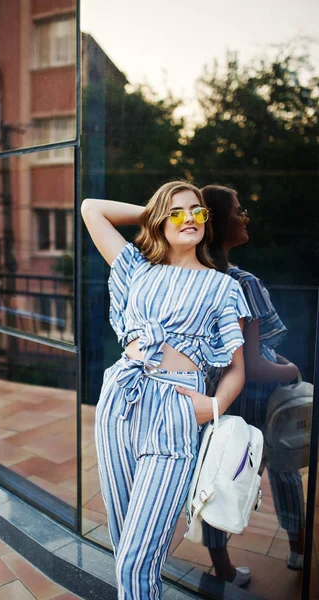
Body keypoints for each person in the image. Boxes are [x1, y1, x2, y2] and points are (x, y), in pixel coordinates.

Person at [81, 180, 251, 599]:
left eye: (197, 211)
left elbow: (235, 370)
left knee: (138, 558)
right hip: (121, 399)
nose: (189, 217)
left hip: (177, 407)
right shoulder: (136, 267)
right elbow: (91, 209)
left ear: (208, 222)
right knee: (125, 544)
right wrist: (161, 212)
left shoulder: (224, 287)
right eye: (177, 212)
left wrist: (211, 406)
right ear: (160, 220)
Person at [200, 184, 305, 584]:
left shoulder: (191, 277)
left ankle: (223, 568)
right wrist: (291, 371)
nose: (245, 217)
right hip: (254, 404)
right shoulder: (241, 283)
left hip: (211, 402)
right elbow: (255, 367)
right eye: (239, 210)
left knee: (216, 473)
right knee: (284, 469)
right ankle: (298, 549)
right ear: (219, 221)